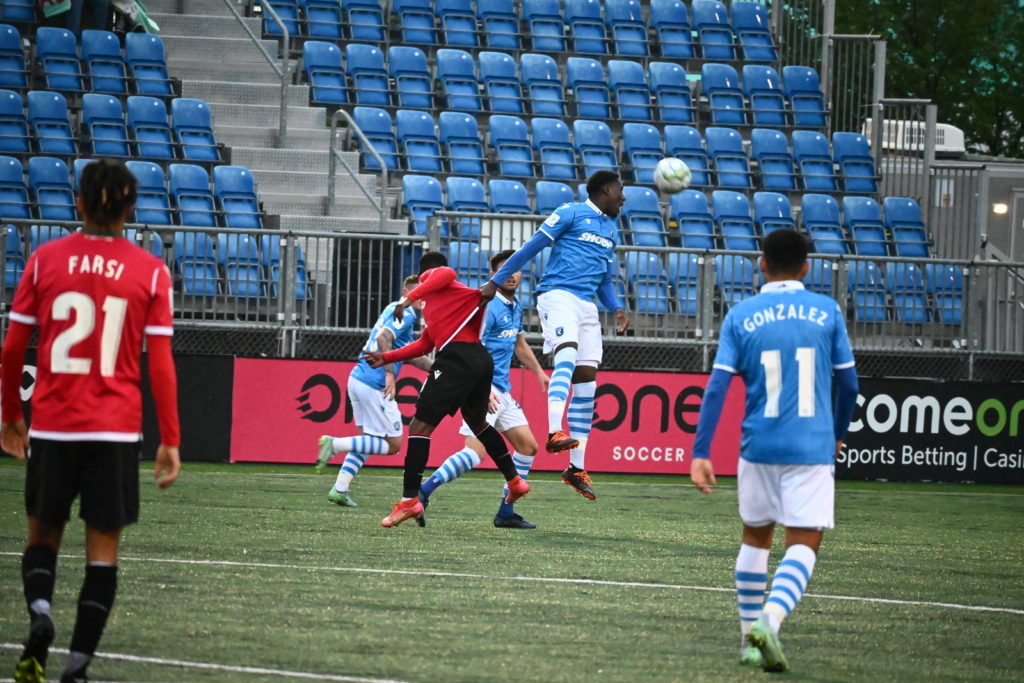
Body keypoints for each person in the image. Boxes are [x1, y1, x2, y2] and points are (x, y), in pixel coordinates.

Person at [2, 159, 181, 683]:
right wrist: (170, 438)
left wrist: (12, 415)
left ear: (78, 203)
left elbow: (14, 347)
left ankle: (39, 614)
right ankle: (76, 669)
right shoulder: (150, 271)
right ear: (130, 209)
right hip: (115, 432)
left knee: (43, 538)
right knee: (102, 556)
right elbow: (161, 362)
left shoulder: (44, 260)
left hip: (55, 428)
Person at [689, 229, 859, 673]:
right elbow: (850, 385)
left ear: (761, 265)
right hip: (811, 445)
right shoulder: (827, 311)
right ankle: (771, 619)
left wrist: (701, 451)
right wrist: (837, 433)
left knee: (755, 537)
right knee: (805, 543)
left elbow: (717, 387)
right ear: (806, 267)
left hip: (757, 444)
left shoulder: (741, 314)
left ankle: (749, 640)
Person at [479, 170, 630, 501]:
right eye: (620, 191)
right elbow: (530, 249)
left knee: (587, 381)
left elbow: (605, 279)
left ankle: (576, 469)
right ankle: (553, 431)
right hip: (557, 295)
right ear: (606, 189)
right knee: (566, 356)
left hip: (587, 307)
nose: (623, 197)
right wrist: (495, 280)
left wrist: (616, 307)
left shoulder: (610, 229)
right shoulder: (570, 212)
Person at [362, 251, 529, 528]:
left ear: (424, 274)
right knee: (478, 423)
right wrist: (386, 357)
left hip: (457, 360)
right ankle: (514, 480)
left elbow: (445, 273)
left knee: (418, 428)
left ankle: (409, 501)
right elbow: (425, 344)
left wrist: (407, 299)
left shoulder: (439, 280)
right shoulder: (440, 303)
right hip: (480, 360)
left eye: (422, 280)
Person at [419, 249, 549, 529]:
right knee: (475, 454)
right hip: (481, 387)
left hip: (501, 390)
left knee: (528, 447)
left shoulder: (515, 306)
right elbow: (470, 347)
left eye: (516, 269)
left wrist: (539, 371)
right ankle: (423, 491)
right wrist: (483, 385)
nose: (512, 274)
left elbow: (519, 344)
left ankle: (506, 512)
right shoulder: (487, 306)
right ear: (494, 276)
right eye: (506, 270)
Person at [314, 274, 433, 507]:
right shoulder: (406, 313)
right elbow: (383, 338)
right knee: (393, 445)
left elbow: (409, 355)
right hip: (374, 383)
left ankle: (340, 489)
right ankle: (334, 444)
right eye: (418, 292)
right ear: (407, 292)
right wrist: (389, 373)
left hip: (358, 378)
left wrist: (437, 368)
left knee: (368, 439)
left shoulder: (394, 309)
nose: (422, 297)